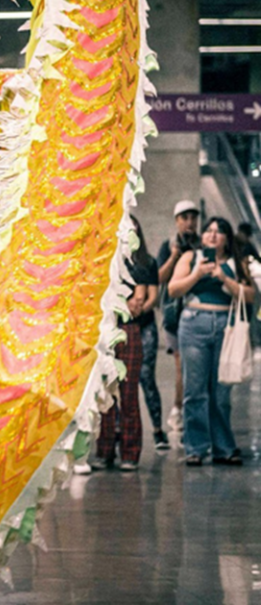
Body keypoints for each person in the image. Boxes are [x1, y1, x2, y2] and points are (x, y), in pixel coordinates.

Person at [168, 216, 254, 466]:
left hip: (225, 327)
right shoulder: (190, 258)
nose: (212, 235)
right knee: (194, 390)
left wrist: (224, 278)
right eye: (208, 231)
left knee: (221, 392)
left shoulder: (236, 263)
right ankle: (195, 447)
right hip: (194, 322)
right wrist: (197, 274)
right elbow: (173, 289)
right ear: (202, 236)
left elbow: (249, 295)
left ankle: (223, 447)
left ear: (227, 239)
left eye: (219, 232)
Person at [95, 215, 158, 472]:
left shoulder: (142, 263)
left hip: (130, 328)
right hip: (106, 329)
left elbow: (142, 301)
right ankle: (105, 450)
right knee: (106, 394)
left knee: (129, 393)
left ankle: (130, 452)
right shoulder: (103, 260)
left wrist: (133, 305)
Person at [156, 200, 200, 435]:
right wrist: (174, 257)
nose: (189, 222)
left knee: (197, 368)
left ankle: (189, 411)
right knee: (181, 365)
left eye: (193, 217)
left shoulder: (205, 244)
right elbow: (159, 278)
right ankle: (178, 409)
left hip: (199, 314)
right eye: (184, 217)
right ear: (176, 221)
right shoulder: (168, 245)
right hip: (174, 316)